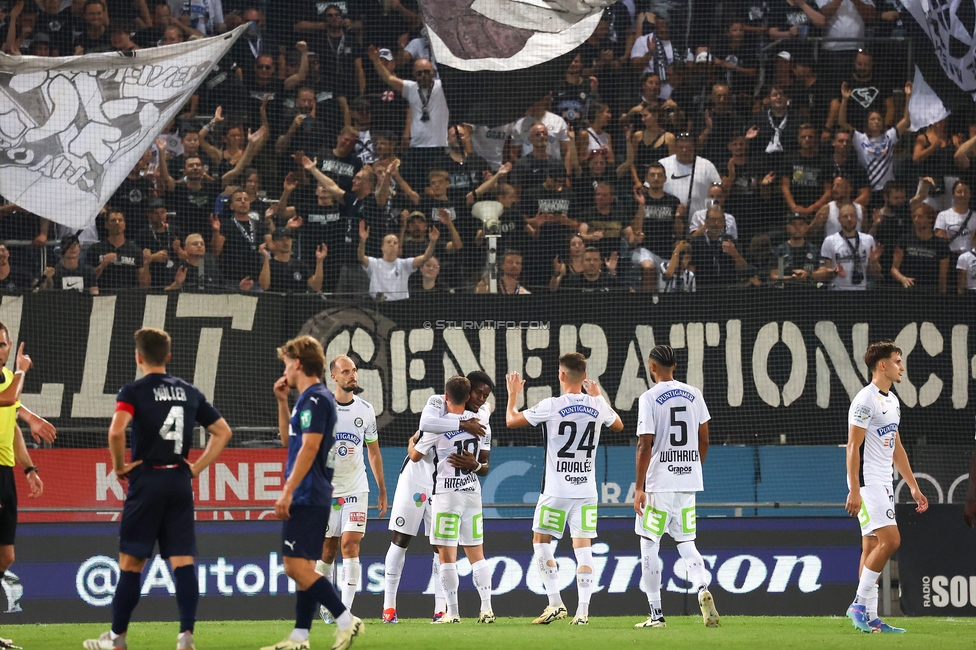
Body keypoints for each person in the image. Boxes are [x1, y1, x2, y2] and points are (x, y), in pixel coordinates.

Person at [83, 328, 232, 650]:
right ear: (168, 355)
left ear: (139, 358)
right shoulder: (189, 391)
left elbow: (115, 431)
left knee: (132, 562)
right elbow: (222, 431)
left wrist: (119, 466)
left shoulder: (133, 391)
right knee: (183, 561)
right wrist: (195, 468)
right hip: (179, 481)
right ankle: (186, 636)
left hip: (147, 479)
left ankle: (117, 638)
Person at [262, 336, 364, 650]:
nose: (285, 370)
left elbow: (309, 447)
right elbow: (287, 441)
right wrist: (282, 402)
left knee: (294, 566)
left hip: (308, 492)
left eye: (286, 363)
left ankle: (346, 619)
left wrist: (288, 490)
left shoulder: (317, 399)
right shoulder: (307, 399)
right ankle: (301, 637)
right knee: (304, 567)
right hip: (312, 492)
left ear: (298, 364)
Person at [505, 354, 623, 625]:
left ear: (561, 376)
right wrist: (599, 397)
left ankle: (556, 602)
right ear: (585, 376)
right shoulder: (598, 404)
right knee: (584, 549)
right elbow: (618, 425)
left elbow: (511, 421)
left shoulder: (552, 405)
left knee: (541, 541)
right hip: (586, 491)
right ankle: (583, 612)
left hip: (556, 490)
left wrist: (513, 395)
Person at [383, 373, 492, 624]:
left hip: (442, 484)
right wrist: (463, 425)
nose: (482, 400)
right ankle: (389, 607)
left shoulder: (479, 413)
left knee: (441, 545)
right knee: (401, 539)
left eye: (485, 397)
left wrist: (413, 443)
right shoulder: (437, 404)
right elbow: (426, 424)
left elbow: (417, 445)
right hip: (414, 479)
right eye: (478, 395)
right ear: (466, 394)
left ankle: (441, 608)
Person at [632, 344, 718, 630]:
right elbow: (703, 439)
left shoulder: (649, 397)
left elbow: (645, 443)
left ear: (652, 367)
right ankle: (702, 586)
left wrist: (640, 486)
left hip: (659, 483)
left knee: (649, 544)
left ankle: (656, 615)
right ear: (675, 366)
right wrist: (693, 467)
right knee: (686, 543)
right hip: (687, 481)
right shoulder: (695, 393)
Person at [845, 341, 929, 634]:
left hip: (884, 481)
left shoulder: (892, 400)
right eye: (897, 361)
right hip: (868, 481)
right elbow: (853, 446)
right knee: (891, 541)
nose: (901, 366)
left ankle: (870, 617)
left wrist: (914, 487)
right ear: (882, 365)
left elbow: (897, 447)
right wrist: (855, 489)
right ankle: (857, 604)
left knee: (871, 546)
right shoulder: (864, 400)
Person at [314, 355, 388, 622]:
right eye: (346, 371)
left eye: (354, 370)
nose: (352, 375)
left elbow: (374, 453)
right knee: (327, 551)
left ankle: (343, 611)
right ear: (333, 376)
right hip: (326, 491)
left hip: (357, 488)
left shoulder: (366, 410)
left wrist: (381, 489)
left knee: (350, 545)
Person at [0, 330, 55, 650]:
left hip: (5, 473)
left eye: (3, 343)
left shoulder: (8, 378)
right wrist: (22, 369)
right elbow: (8, 399)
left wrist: (30, 468)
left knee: (6, 555)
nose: (0, 348)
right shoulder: (11, 381)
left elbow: (13, 427)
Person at [358, 221, 439, 301]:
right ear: (382, 247)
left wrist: (432, 242)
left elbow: (425, 257)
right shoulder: (373, 263)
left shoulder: (405, 264)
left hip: (400, 306)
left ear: (398, 247)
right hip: (377, 305)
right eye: (388, 242)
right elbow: (361, 257)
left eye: (395, 243)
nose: (392, 244)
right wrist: (362, 241)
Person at [817, 204, 883, 290]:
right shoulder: (830, 241)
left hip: (861, 291)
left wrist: (874, 262)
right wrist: (833, 271)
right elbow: (824, 273)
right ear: (839, 219)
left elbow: (876, 274)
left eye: (852, 215)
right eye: (845, 216)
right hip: (837, 290)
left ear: (857, 218)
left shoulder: (868, 239)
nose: (849, 219)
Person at [891, 206, 950, 292]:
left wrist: (942, 297)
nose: (916, 219)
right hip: (908, 291)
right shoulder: (905, 240)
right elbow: (894, 269)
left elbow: (943, 276)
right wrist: (903, 279)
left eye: (920, 216)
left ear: (930, 219)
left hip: (930, 292)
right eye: (914, 216)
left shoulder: (941, 244)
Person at [88, 211, 152, 290]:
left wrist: (146, 264)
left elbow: (145, 285)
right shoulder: (95, 249)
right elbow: (88, 281)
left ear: (125, 224)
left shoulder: (135, 250)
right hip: (103, 297)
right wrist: (102, 265)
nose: (117, 223)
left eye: (120, 220)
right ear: (106, 225)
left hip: (129, 298)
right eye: (113, 220)